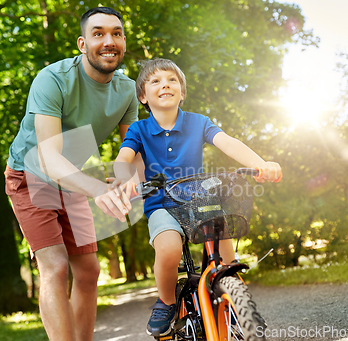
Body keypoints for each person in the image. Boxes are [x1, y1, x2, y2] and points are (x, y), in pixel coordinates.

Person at [113, 58, 282, 337]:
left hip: (199, 200)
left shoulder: (198, 122)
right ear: (143, 96)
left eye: (172, 80)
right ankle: (166, 301)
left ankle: (237, 303)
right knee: (168, 248)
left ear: (182, 91)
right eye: (155, 81)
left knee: (226, 255)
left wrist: (261, 163)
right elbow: (124, 158)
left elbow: (227, 142)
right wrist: (123, 178)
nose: (164, 84)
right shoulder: (139, 130)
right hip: (161, 203)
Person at [4, 7, 141, 341]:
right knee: (56, 267)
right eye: (98, 33)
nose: (109, 41)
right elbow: (48, 157)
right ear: (82, 43)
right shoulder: (52, 79)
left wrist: (130, 178)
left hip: (73, 177)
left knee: (90, 271)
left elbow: (134, 148)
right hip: (30, 174)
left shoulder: (127, 91)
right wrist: (98, 189)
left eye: (117, 33)